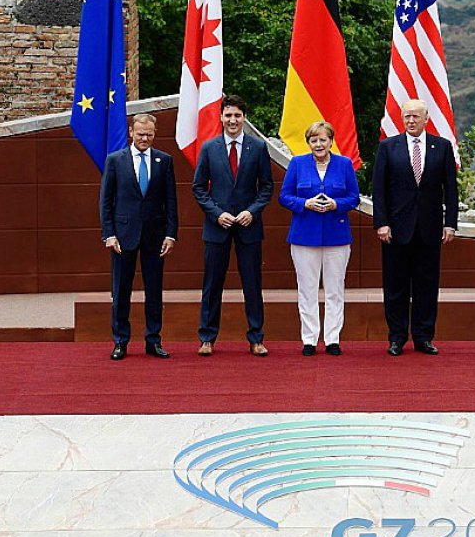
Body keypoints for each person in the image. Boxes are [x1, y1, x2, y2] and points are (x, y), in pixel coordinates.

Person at [372, 99, 458, 356]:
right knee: (396, 286)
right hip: (396, 229)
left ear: (426, 119)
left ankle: (423, 336)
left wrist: (450, 224)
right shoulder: (388, 147)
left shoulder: (442, 147)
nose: (410, 121)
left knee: (426, 285)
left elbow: (450, 190)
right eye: (407, 116)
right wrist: (382, 223)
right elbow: (379, 189)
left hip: (430, 229)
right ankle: (397, 337)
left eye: (415, 117)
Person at [192, 94, 274, 357]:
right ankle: (207, 338)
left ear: (244, 118)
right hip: (217, 227)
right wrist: (217, 214)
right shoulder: (209, 148)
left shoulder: (258, 148)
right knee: (212, 284)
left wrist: (252, 211)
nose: (233, 120)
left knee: (252, 284)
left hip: (249, 227)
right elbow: (198, 188)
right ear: (221, 117)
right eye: (228, 115)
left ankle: (256, 338)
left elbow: (267, 187)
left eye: (237, 115)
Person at [99, 113, 178, 360]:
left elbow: (171, 201)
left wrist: (171, 234)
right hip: (123, 237)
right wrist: (109, 234)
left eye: (149, 134)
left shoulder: (164, 161)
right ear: (131, 132)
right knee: (121, 290)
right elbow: (106, 201)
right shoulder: (115, 160)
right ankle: (120, 341)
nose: (144, 138)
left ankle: (153, 340)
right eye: (140, 133)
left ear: (155, 134)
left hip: (155, 236)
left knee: (154, 291)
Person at [278, 121, 360, 356]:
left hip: (337, 236)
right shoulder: (297, 163)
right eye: (314, 140)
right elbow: (284, 196)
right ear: (308, 143)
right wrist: (305, 203)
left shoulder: (344, 164)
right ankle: (309, 339)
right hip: (304, 236)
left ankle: (332, 339)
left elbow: (354, 197)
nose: (318, 144)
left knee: (335, 290)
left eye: (323, 139)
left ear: (331, 142)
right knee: (307, 290)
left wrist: (336, 204)